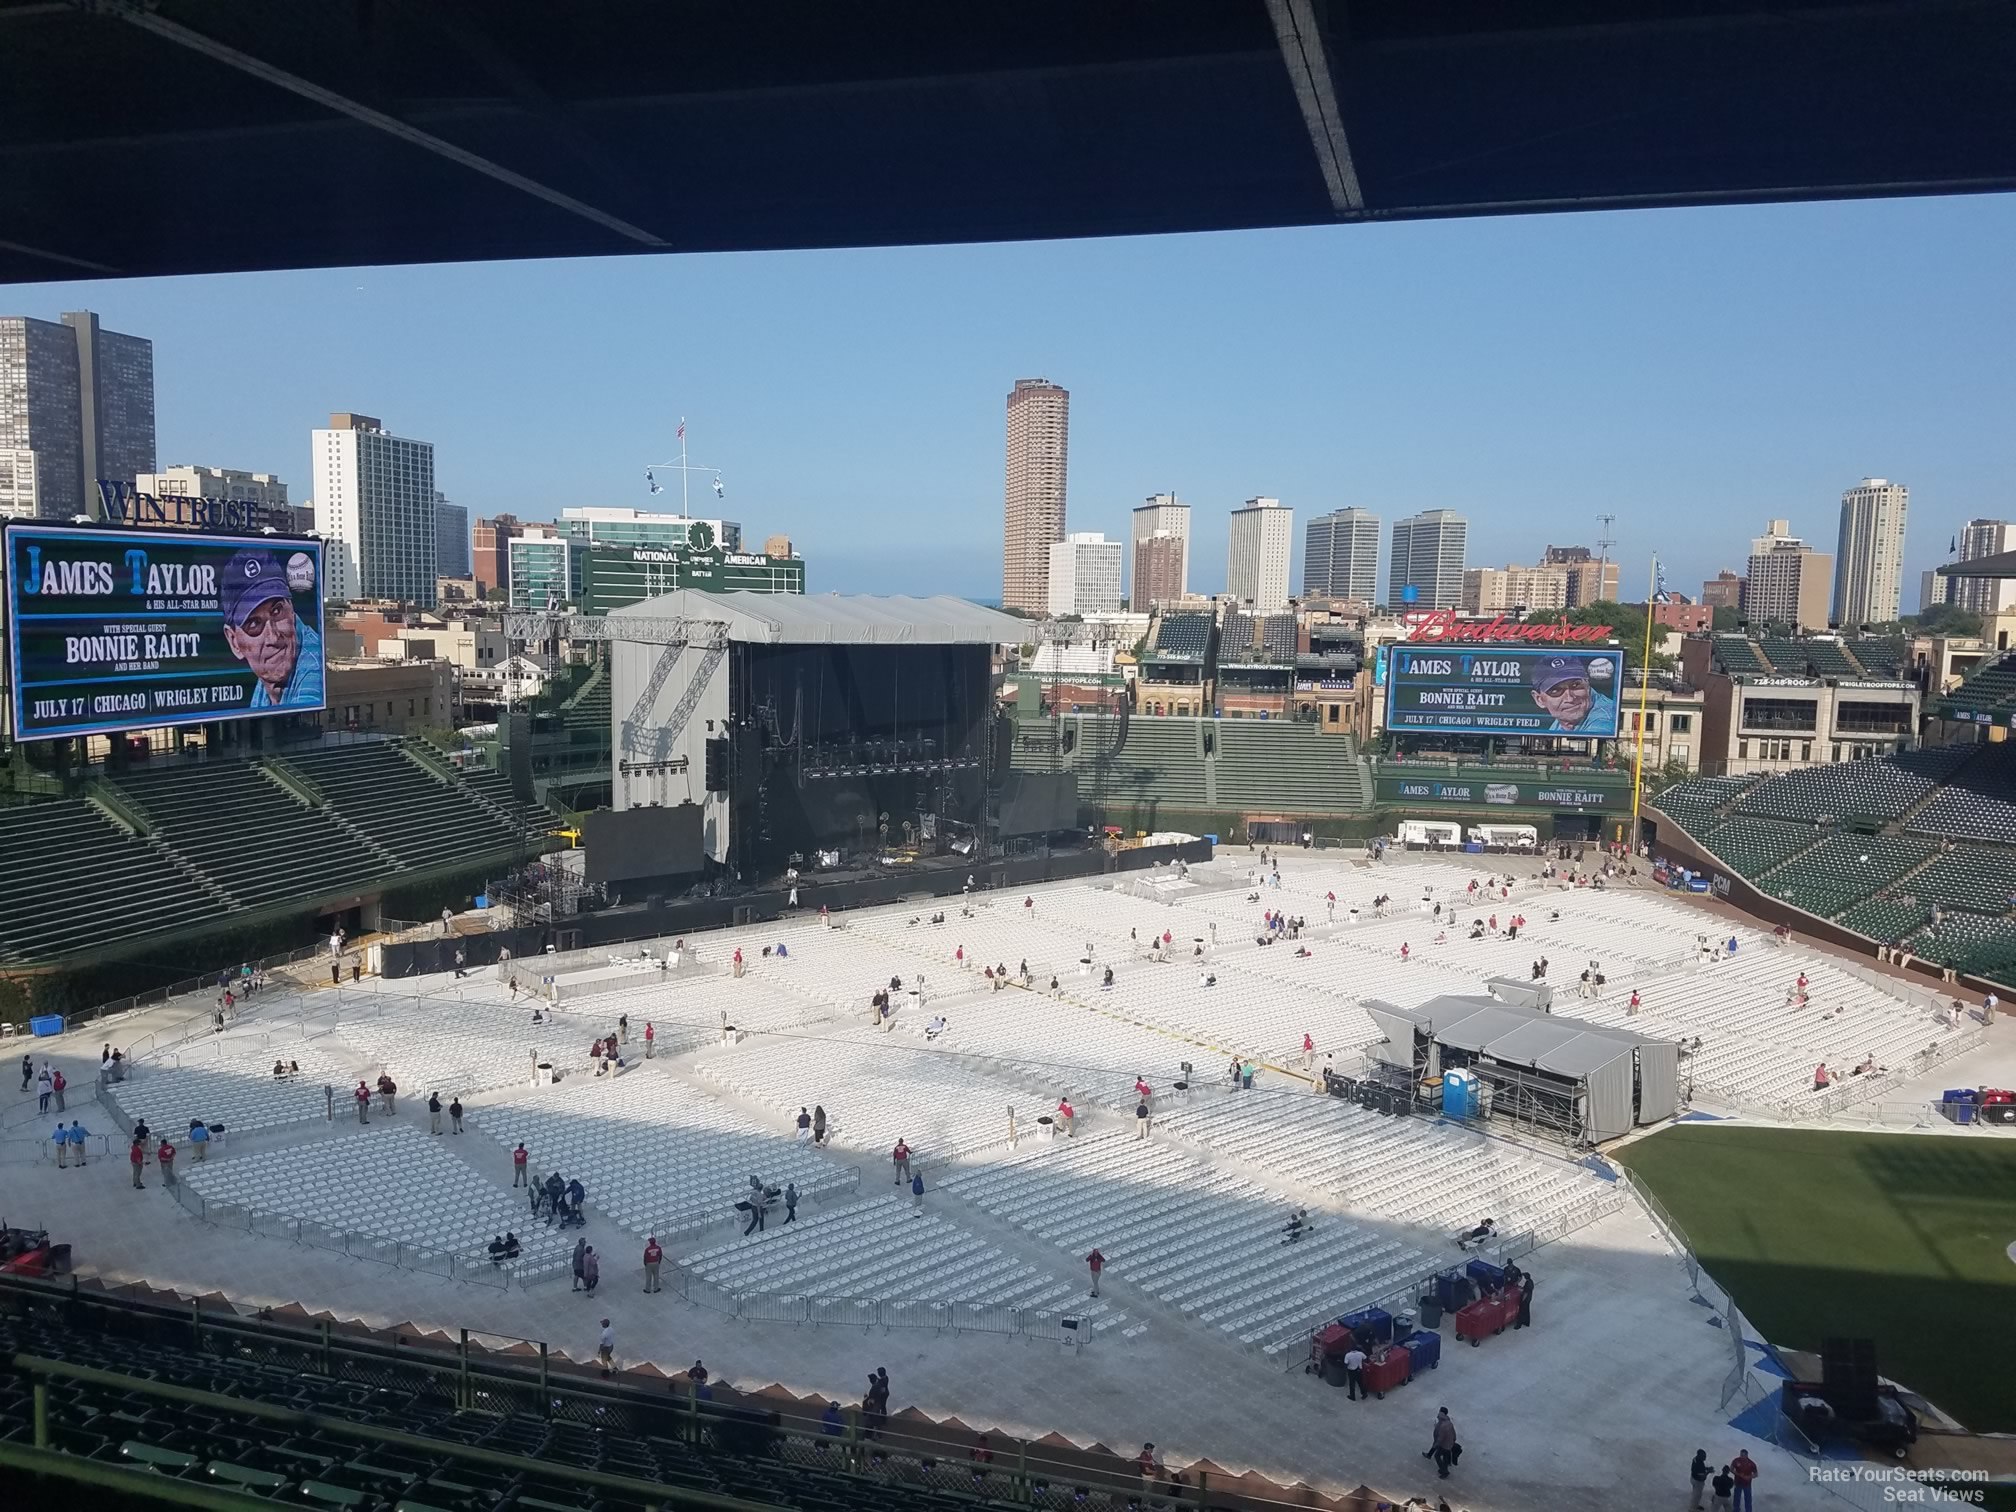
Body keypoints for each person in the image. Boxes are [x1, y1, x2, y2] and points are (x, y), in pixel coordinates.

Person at [218, 547, 324, 709]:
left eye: (277, 611)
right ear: (233, 641)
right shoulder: (267, 680)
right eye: (254, 624)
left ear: (291, 608)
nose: (273, 638)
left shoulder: (314, 669)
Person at [1425, 1407, 1459, 1479]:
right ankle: (1444, 1468)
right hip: (1449, 1443)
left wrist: (1435, 1445)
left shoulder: (1442, 1426)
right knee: (1445, 1457)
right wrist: (1454, 1439)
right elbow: (1453, 1432)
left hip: (1444, 1445)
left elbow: (1440, 1438)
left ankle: (1444, 1471)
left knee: (1437, 1456)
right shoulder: (1449, 1423)